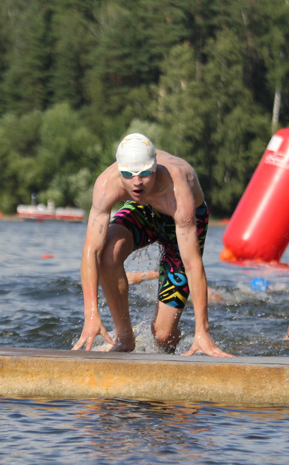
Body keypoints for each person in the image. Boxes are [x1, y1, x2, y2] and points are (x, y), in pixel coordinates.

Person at [72, 133, 232, 357]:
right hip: (143, 210)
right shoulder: (107, 184)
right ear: (120, 170)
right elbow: (91, 250)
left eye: (145, 174)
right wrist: (91, 314)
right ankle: (125, 338)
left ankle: (180, 337)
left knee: (163, 337)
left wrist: (202, 331)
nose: (137, 182)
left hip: (182, 217)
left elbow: (192, 264)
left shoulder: (177, 190)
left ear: (155, 168)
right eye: (128, 175)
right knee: (109, 252)